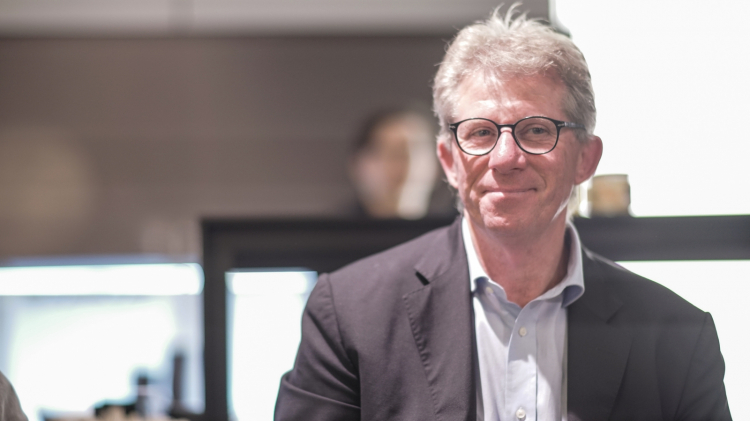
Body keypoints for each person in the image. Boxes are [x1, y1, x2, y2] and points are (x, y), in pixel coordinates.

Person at [275, 9, 731, 421]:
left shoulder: (678, 337)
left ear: (585, 159)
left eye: (536, 130)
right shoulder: (350, 315)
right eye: (480, 133)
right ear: (449, 161)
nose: (506, 158)